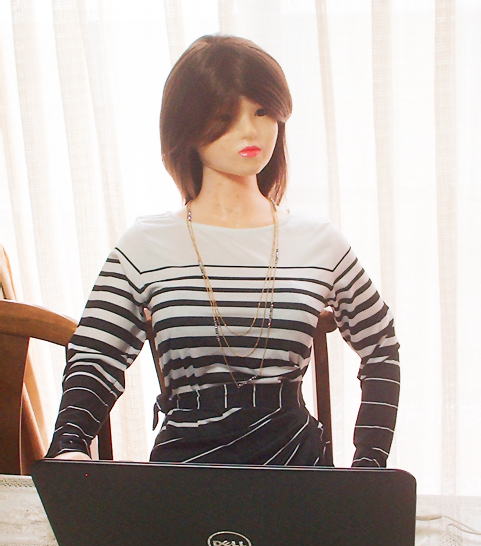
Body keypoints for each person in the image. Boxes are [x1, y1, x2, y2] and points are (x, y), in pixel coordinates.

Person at [46, 34, 400, 468]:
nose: (250, 131)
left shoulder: (318, 241)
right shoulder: (145, 244)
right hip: (185, 471)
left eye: (262, 110)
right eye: (224, 116)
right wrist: (70, 444)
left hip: (297, 472)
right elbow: (96, 354)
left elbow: (381, 346)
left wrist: (369, 465)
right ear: (187, 128)